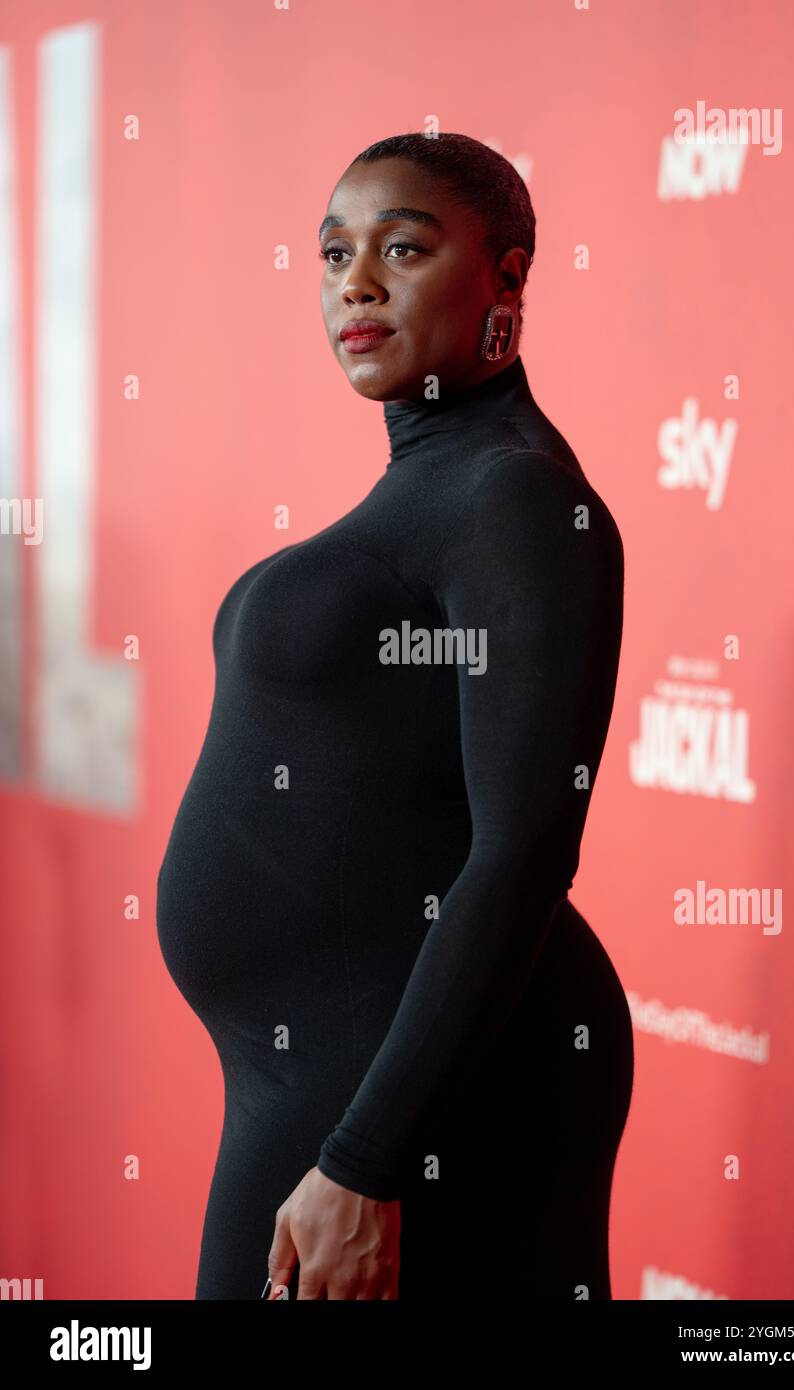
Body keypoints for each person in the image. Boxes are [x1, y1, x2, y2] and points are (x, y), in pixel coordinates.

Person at [156, 131, 634, 1301]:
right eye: (332, 254)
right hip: (322, 1075)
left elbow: (525, 850)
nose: (353, 281)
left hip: (415, 1097)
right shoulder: (432, 484)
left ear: (507, 276)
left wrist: (369, 1160)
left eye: (401, 248)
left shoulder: (513, 497)